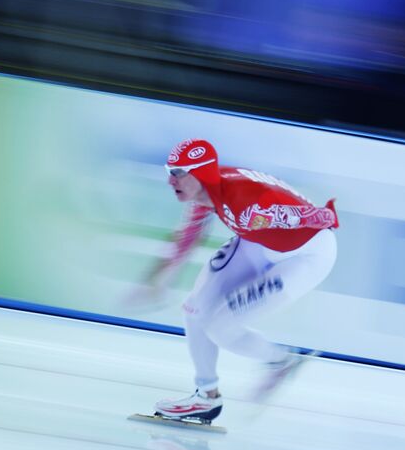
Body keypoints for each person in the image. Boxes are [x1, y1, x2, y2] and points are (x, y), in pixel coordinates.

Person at [137, 138, 338, 423]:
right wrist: (160, 280)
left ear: (201, 174)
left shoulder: (248, 205)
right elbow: (189, 235)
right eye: (169, 170)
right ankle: (205, 396)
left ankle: (281, 361)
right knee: (195, 309)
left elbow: (308, 216)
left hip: (307, 255)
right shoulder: (208, 194)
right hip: (259, 240)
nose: (171, 180)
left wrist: (328, 214)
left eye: (179, 172)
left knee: (221, 326)